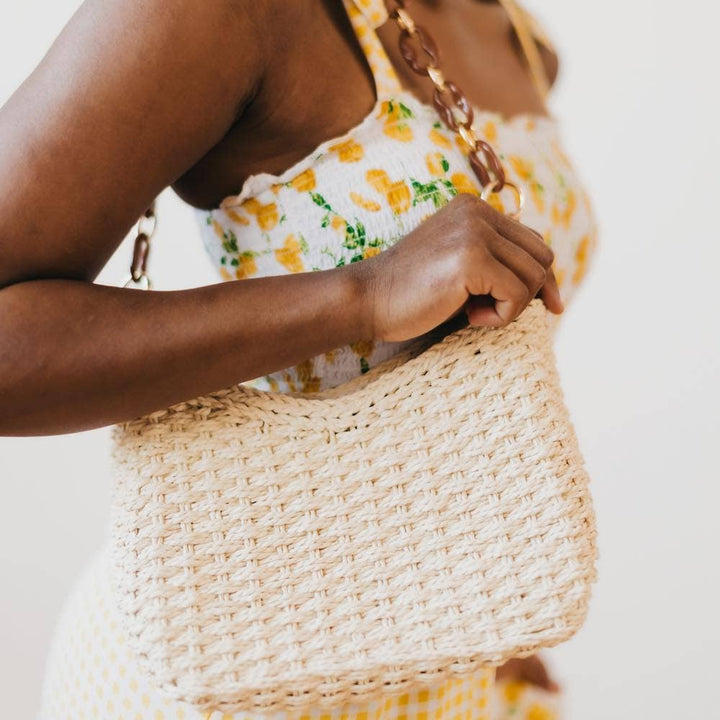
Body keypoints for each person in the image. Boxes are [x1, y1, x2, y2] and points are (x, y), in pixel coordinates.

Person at [0, 0, 598, 717]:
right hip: (227, 668)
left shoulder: (513, 30)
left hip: (435, 648)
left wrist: (483, 596)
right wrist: (365, 294)